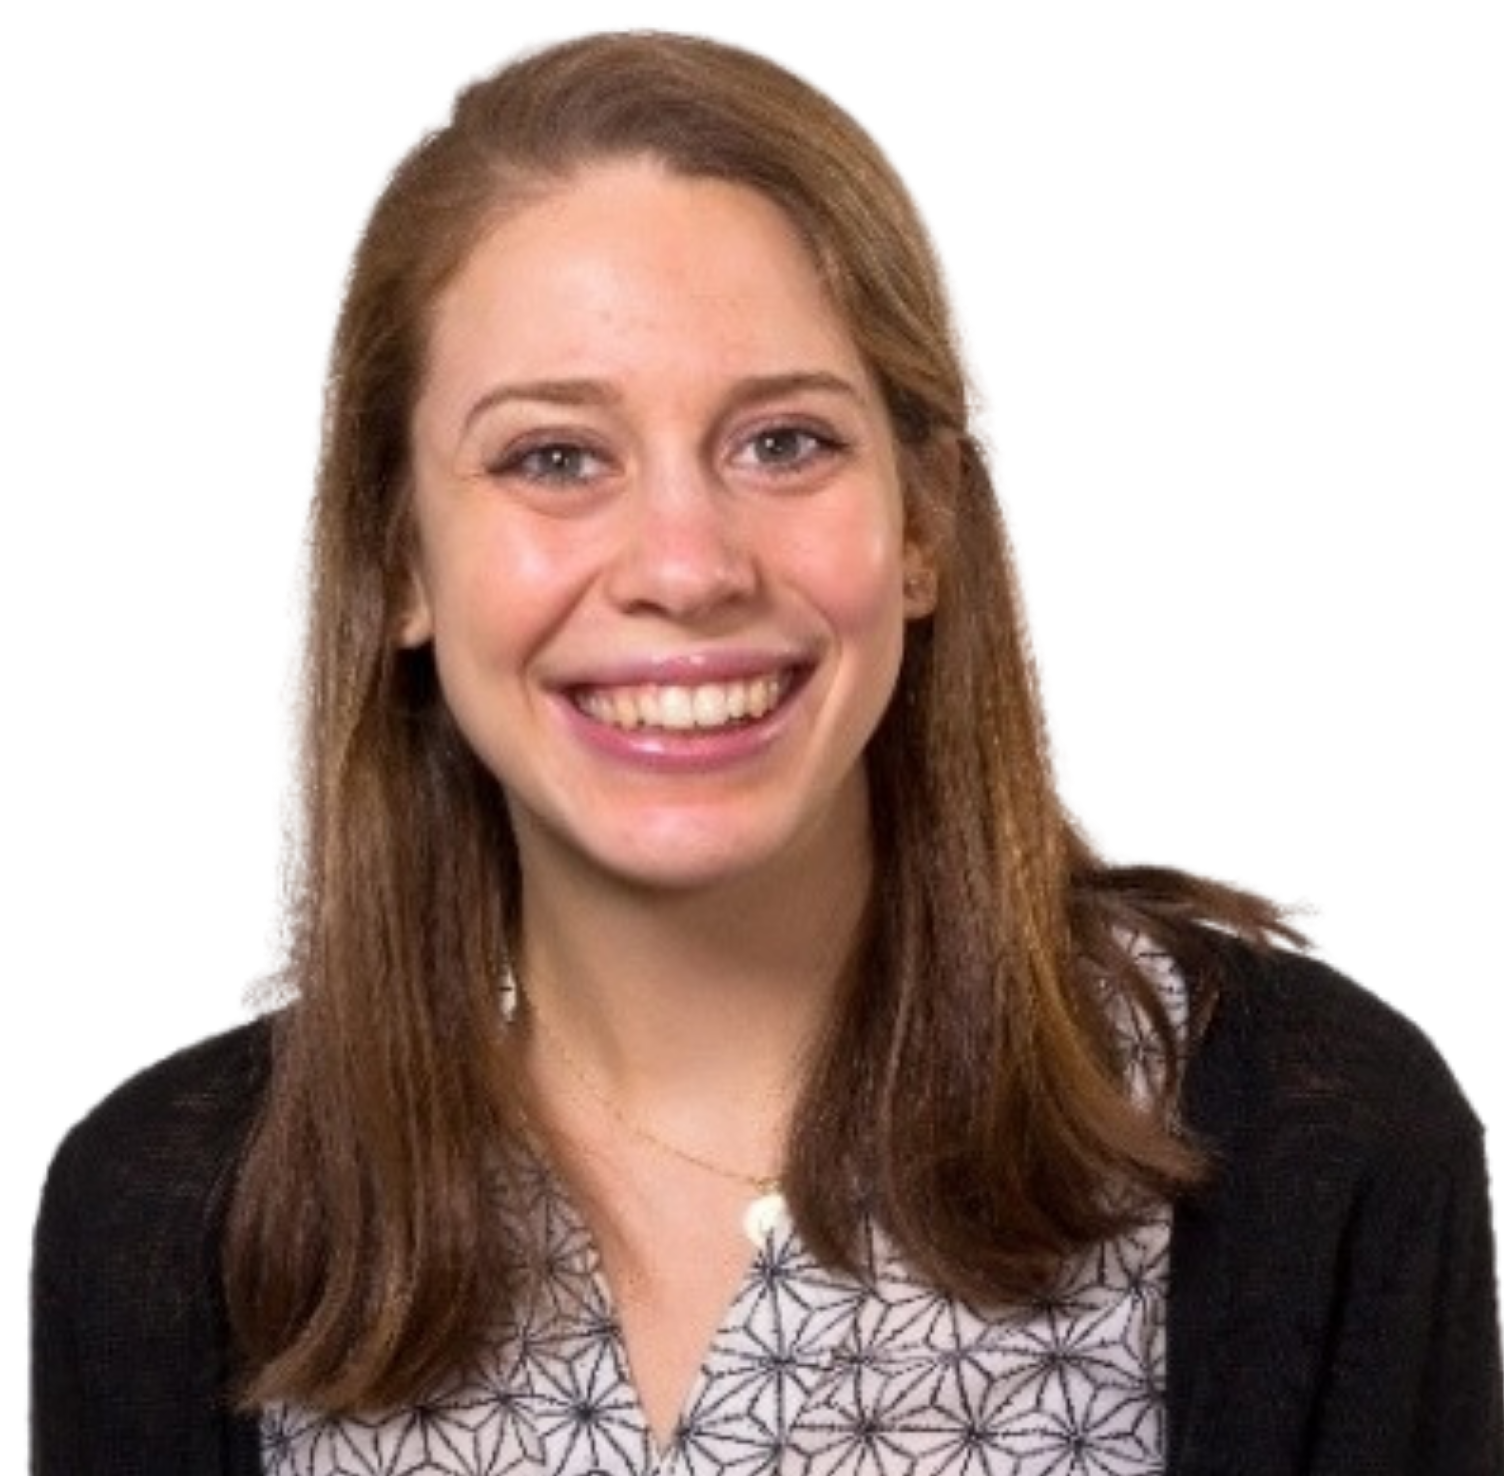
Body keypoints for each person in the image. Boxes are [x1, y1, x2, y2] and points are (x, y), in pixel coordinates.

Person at [31, 30, 1501, 1475]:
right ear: (397, 559)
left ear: (921, 523)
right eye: (554, 457)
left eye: (784, 443)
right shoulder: (172, 1220)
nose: (685, 564)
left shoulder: (1311, 1147)